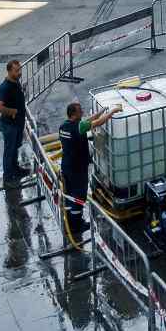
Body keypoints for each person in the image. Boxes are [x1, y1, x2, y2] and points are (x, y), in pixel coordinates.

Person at [59, 100, 121, 234]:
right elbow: (97, 123)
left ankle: (70, 221)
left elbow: (87, 121)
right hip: (77, 169)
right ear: (74, 114)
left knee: (69, 194)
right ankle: (76, 225)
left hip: (66, 167)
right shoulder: (78, 127)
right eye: (80, 111)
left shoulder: (64, 126)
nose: (82, 112)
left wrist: (100, 112)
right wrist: (112, 112)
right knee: (79, 195)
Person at [0, 59, 28, 186]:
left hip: (18, 124)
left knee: (15, 149)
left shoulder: (16, 82)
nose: (19, 72)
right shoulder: (5, 87)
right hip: (9, 125)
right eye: (16, 70)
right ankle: (8, 178)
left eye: (20, 69)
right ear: (9, 71)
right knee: (9, 151)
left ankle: (16, 170)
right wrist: (12, 111)